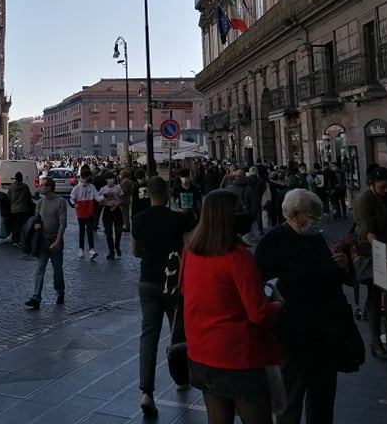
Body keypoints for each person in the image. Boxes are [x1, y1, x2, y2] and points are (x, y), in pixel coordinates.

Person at [182, 189, 282, 424]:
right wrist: (278, 304)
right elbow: (258, 314)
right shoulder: (238, 258)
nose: (245, 213)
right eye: (239, 209)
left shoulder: (190, 249)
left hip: (201, 350)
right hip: (237, 356)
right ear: (226, 217)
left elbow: (187, 292)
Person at [255, 189, 354, 424]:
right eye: (314, 216)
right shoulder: (273, 241)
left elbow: (327, 274)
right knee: (292, 396)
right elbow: (263, 286)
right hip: (293, 334)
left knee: (323, 397)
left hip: (325, 332)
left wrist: (341, 266)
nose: (318, 222)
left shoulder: (314, 237)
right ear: (296, 214)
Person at [132, 175, 189, 416]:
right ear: (166, 194)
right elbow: (187, 250)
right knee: (177, 330)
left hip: (147, 280)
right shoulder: (178, 219)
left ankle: (146, 391)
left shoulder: (139, 219)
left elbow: (136, 252)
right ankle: (180, 379)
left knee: (148, 335)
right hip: (172, 282)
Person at [354, 165, 387, 360]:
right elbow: (368, 232)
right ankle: (375, 341)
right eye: (382, 187)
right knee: (375, 297)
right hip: (372, 252)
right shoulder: (364, 201)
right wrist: (381, 256)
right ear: (372, 185)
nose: (386, 190)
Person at [24, 177, 67, 309]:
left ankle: (60, 292)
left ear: (50, 187)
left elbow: (63, 223)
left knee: (57, 269)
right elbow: (37, 218)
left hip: (55, 239)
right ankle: (36, 297)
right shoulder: (40, 202)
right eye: (41, 185)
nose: (41, 187)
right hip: (42, 240)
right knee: (40, 269)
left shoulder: (60, 202)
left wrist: (58, 240)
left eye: (43, 185)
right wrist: (36, 225)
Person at [70, 165, 99, 260]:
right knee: (82, 232)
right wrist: (74, 205)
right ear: (84, 177)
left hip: (90, 212)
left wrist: (105, 196)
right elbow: (71, 199)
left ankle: (91, 249)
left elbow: (97, 197)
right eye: (88, 177)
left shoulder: (92, 187)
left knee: (90, 232)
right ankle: (81, 249)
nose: (90, 179)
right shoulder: (77, 188)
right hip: (81, 213)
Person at [98, 173, 124, 259]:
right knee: (109, 232)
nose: (111, 180)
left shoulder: (118, 187)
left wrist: (116, 205)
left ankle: (117, 246)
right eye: (109, 178)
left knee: (118, 231)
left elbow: (122, 199)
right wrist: (107, 203)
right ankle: (111, 251)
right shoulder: (102, 189)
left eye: (112, 178)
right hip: (107, 211)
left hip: (117, 211)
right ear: (106, 180)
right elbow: (100, 202)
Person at [9, 171, 33, 249]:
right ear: (22, 178)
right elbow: (29, 198)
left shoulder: (11, 187)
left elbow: (8, 197)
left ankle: (15, 240)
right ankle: (18, 240)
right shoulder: (25, 187)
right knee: (21, 224)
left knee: (15, 224)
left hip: (14, 208)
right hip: (22, 209)